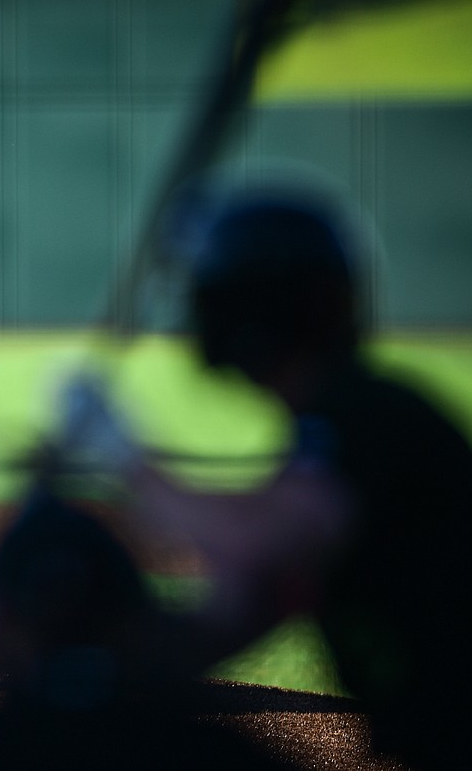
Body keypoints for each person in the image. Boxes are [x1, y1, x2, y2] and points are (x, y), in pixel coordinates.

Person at [120, 182, 472, 768]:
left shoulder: (368, 418)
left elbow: (252, 539)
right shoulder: (334, 426)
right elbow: (252, 602)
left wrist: (121, 459)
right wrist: (101, 664)